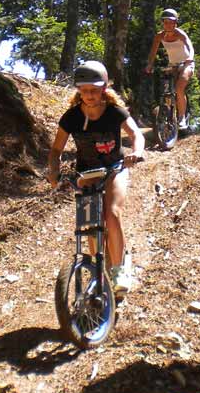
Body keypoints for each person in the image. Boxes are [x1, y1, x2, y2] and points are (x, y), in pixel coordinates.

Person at [47, 61, 145, 294]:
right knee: (89, 226)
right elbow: (56, 150)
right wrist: (53, 170)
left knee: (111, 213)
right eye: (84, 90)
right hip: (87, 172)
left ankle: (119, 269)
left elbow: (136, 134)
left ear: (104, 88)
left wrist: (137, 152)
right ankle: (95, 266)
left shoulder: (114, 112)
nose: (89, 95)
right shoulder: (71, 117)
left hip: (115, 167)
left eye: (94, 90)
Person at [145, 8, 195, 129]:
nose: (169, 24)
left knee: (179, 88)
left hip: (186, 63)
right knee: (166, 90)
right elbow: (153, 52)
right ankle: (168, 114)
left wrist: (190, 57)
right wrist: (150, 65)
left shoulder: (180, 34)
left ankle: (182, 118)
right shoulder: (159, 36)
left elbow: (190, 46)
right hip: (173, 65)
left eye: (171, 22)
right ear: (163, 23)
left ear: (175, 23)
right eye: (166, 22)